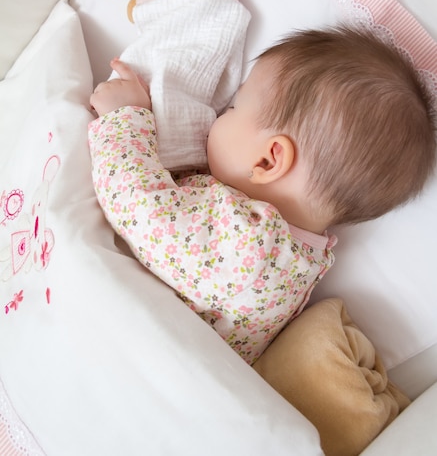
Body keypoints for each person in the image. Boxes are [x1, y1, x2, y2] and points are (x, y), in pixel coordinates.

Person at [88, 25, 436, 364]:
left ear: (269, 160)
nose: (220, 112)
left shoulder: (252, 248)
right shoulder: (297, 259)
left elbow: (138, 208)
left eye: (235, 107)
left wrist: (125, 116)